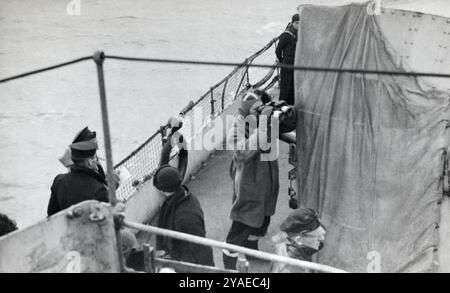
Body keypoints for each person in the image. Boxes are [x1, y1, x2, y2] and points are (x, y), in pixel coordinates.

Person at [222, 89, 280, 270]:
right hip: (249, 182)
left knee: (262, 220)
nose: (260, 112)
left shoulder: (263, 120)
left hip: (267, 179)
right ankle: (228, 264)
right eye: (256, 110)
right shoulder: (237, 128)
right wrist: (262, 127)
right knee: (242, 223)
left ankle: (251, 250)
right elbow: (241, 152)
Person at [153, 164, 214, 266]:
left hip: (191, 262)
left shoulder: (183, 217)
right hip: (190, 253)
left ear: (162, 190)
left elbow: (197, 248)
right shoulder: (188, 197)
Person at [47, 126, 111, 216]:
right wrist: (110, 190)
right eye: (95, 156)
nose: (97, 160)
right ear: (89, 161)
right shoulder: (99, 192)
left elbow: (52, 216)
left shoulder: (59, 182)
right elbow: (110, 221)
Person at [270, 208, 326, 273]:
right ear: (299, 240)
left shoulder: (284, 245)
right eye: (317, 236)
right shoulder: (296, 269)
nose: (322, 238)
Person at [275, 13, 300, 105]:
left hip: (295, 64)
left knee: (293, 85)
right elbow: (278, 50)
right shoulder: (286, 35)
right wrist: (282, 61)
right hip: (286, 64)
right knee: (285, 85)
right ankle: (282, 104)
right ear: (292, 23)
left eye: (300, 23)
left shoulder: (299, 34)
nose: (298, 25)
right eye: (296, 23)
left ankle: (291, 105)